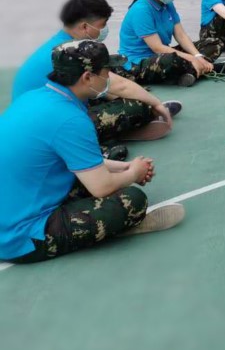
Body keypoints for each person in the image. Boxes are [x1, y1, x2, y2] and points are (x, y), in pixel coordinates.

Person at [0, 40, 185, 264]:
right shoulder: (70, 119)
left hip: (14, 206)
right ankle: (113, 230)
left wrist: (124, 167)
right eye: (106, 73)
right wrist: (134, 173)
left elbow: (71, 158)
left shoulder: (33, 98)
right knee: (132, 200)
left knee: (104, 176)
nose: (109, 78)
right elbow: (101, 187)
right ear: (87, 77)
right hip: (20, 237)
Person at [12, 0, 180, 144]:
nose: (103, 30)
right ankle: (124, 127)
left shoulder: (62, 45)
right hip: (45, 126)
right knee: (135, 106)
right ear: (85, 27)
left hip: (42, 112)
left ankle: (130, 122)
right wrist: (155, 103)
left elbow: (103, 87)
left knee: (116, 91)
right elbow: (119, 85)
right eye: (102, 25)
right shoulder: (72, 53)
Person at [119, 0, 225, 87]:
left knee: (214, 43)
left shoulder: (166, 4)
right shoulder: (141, 10)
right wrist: (191, 59)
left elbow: (181, 35)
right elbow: (157, 48)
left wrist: (197, 56)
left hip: (163, 53)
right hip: (140, 61)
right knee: (170, 61)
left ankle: (192, 71)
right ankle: (200, 69)